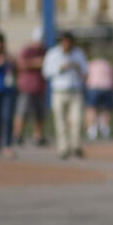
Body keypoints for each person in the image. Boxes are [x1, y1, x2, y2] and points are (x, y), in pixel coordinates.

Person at [43, 31, 88, 159]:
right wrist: (61, 68)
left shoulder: (79, 54)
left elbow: (85, 72)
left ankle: (76, 145)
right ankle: (63, 148)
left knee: (77, 120)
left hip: (75, 91)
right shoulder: (53, 54)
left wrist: (77, 67)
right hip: (59, 91)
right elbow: (46, 72)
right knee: (60, 121)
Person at [14, 28, 49, 147]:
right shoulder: (26, 51)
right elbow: (21, 64)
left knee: (40, 114)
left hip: (40, 87)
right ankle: (18, 135)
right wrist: (36, 63)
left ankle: (38, 136)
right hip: (26, 87)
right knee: (22, 112)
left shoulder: (45, 51)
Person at [85, 54, 113, 140]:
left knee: (92, 109)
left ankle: (92, 129)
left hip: (94, 88)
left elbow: (86, 76)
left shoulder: (91, 64)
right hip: (107, 88)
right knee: (106, 109)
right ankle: (104, 127)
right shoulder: (109, 64)